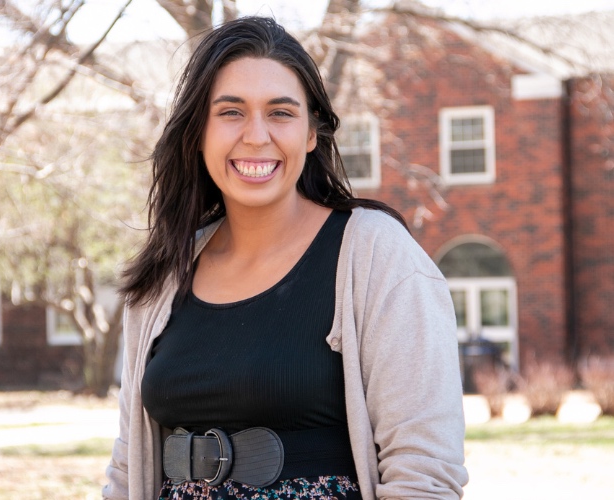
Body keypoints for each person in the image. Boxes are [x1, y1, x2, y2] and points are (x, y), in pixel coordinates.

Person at [103, 16, 468, 500]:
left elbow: (424, 470)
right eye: (231, 112)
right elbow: (129, 467)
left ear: (312, 133)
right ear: (197, 133)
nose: (256, 136)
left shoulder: (374, 253)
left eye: (281, 112)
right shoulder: (165, 275)